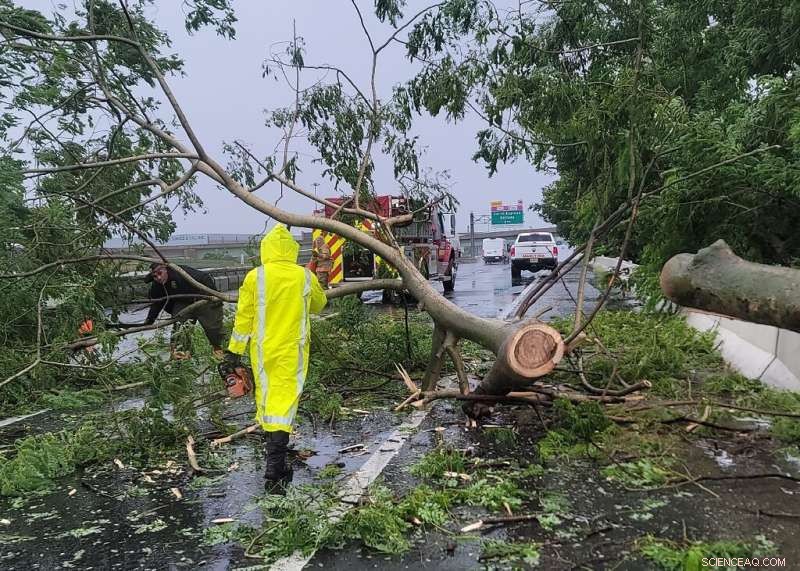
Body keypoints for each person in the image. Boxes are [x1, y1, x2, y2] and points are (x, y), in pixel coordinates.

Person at [225, 224, 327, 493]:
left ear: (266, 249)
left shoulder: (255, 276)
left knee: (268, 400)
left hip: (262, 350)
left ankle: (274, 457)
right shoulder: (304, 277)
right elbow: (320, 305)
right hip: (292, 350)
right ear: (291, 250)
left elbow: (244, 317)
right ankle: (275, 463)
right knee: (285, 402)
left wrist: (234, 351)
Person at [144, 262, 225, 359]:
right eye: (155, 276)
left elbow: (205, 278)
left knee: (213, 329)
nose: (159, 278)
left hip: (203, 298)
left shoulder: (181, 272)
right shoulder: (157, 285)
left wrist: (213, 297)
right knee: (180, 329)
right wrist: (150, 320)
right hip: (183, 302)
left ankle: (220, 352)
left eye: (160, 273)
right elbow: (157, 303)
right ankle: (182, 356)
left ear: (165, 269)